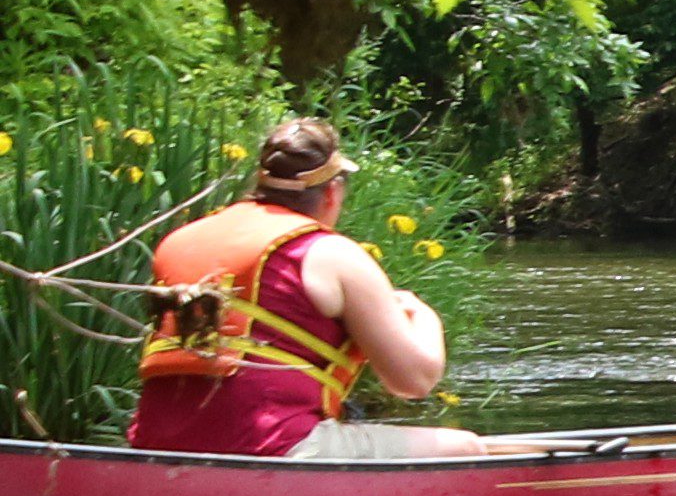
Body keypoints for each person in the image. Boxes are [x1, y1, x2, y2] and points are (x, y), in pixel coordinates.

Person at [130, 117, 477, 460]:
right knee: (465, 448)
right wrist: (422, 314)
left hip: (153, 447)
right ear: (331, 192)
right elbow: (414, 381)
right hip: (273, 446)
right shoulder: (331, 253)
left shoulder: (181, 240)